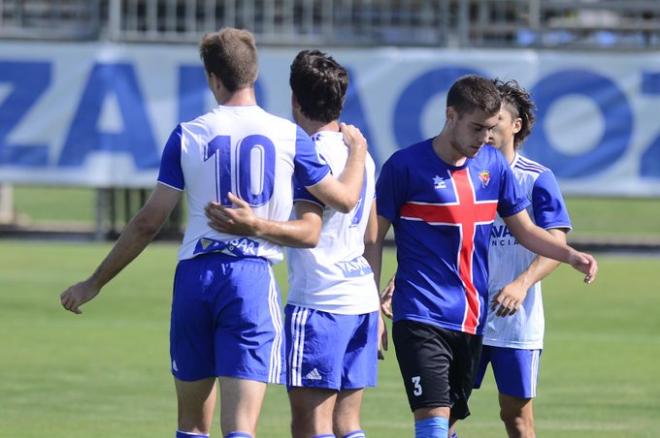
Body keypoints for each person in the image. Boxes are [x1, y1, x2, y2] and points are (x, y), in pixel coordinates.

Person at [59, 29, 368, 438]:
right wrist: (358, 154)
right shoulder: (288, 136)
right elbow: (338, 205)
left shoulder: (188, 134)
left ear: (213, 78)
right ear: (255, 74)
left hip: (195, 277)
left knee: (190, 425)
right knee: (240, 427)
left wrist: (93, 282)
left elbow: (149, 222)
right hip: (250, 280)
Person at [372, 75, 597, 438]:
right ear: (450, 115)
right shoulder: (405, 166)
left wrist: (569, 254)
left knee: (458, 421)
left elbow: (525, 230)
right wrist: (371, 304)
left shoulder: (493, 167)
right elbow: (373, 238)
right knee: (433, 421)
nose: (484, 139)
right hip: (421, 314)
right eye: (477, 128)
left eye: (490, 129)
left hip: (472, 319)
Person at [205, 49, 385, 438]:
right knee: (348, 425)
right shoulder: (362, 157)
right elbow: (373, 235)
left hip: (321, 302)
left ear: (294, 100)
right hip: (361, 302)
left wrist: (254, 225)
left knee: (311, 425)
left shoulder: (309, 156)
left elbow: (308, 231)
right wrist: (374, 299)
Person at [469, 79, 571, 438]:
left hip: (517, 322)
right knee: (444, 408)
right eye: (484, 121)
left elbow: (555, 244)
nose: (489, 129)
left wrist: (522, 282)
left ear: (516, 125)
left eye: (497, 121)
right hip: (464, 314)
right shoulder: (463, 174)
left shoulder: (537, 179)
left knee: (515, 416)